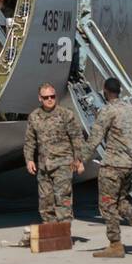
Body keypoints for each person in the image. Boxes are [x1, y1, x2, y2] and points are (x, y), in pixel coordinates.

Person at [85, 78, 132, 258]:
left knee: (107, 204)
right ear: (119, 91)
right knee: (121, 203)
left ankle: (115, 245)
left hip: (112, 166)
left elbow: (94, 139)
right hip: (129, 165)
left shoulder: (107, 111)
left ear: (105, 91)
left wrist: (80, 159)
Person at [23, 82, 84, 224]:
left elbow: (77, 138)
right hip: (44, 167)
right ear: (40, 98)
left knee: (63, 199)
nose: (50, 99)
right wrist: (29, 160)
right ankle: (51, 233)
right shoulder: (34, 117)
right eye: (46, 97)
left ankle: (64, 231)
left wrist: (79, 159)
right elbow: (29, 141)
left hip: (63, 165)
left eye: (52, 96)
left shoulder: (65, 114)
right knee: (45, 203)